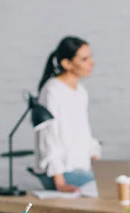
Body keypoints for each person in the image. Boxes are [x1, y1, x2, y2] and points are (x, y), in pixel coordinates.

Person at [34, 36, 100, 193]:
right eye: (84, 59)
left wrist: (98, 164)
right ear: (66, 63)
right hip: (60, 173)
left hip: (81, 169)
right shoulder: (52, 91)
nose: (92, 63)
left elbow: (83, 133)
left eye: (90, 57)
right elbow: (48, 138)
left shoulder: (81, 92)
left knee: (116, 185)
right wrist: (60, 183)